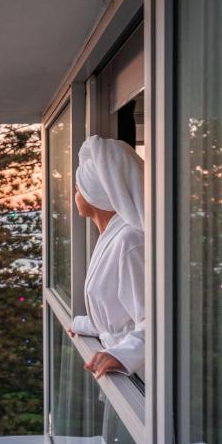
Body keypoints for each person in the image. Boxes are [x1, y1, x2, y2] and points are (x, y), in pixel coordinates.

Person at [69, 135, 145, 379]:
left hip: (140, 375)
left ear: (95, 194)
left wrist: (122, 355)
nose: (75, 194)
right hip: (123, 365)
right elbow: (118, 314)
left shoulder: (130, 241)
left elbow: (159, 319)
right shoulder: (112, 236)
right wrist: (80, 324)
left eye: (78, 188)